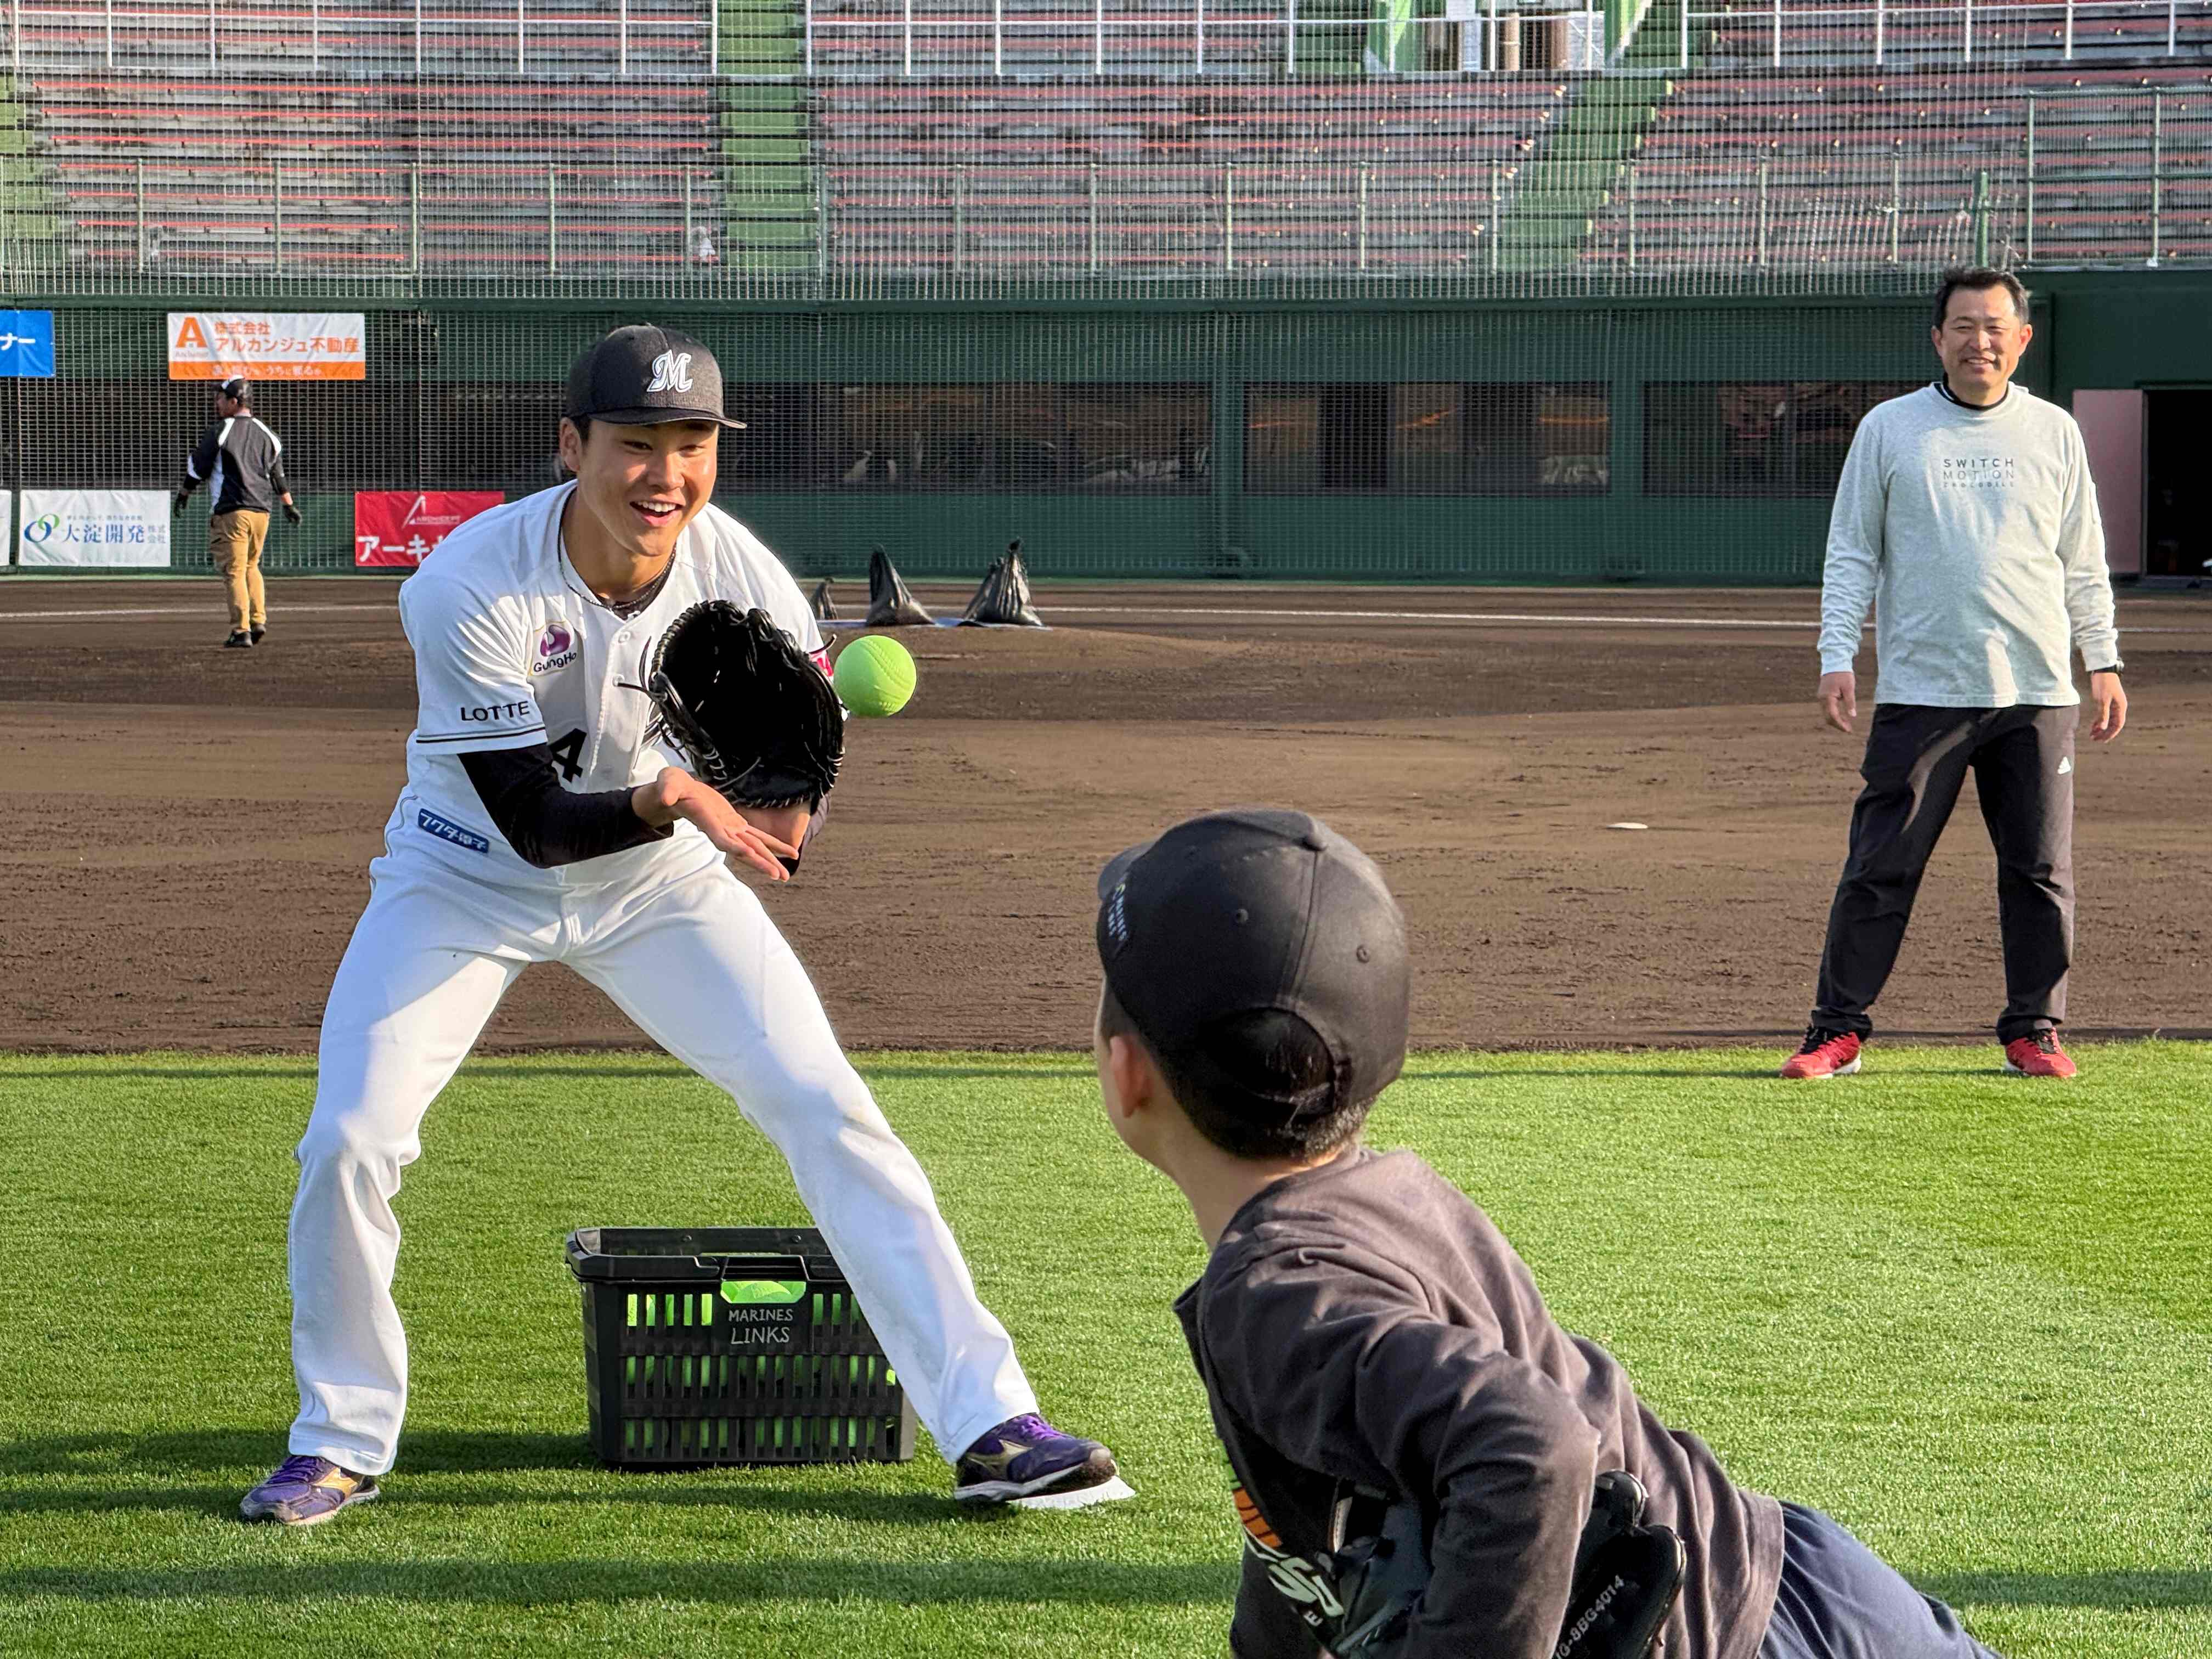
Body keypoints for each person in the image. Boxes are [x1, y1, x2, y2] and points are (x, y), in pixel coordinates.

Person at [239, 324, 1122, 1526]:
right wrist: (676, 797)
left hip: (662, 891)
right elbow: (539, 826)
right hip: (464, 882)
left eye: (693, 444)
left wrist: (792, 808)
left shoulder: (739, 570)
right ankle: (338, 1440)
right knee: (350, 1138)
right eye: (638, 443)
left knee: (828, 1106)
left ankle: (992, 1424)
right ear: (573, 445)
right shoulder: (466, 583)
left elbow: (803, 736)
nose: (668, 474)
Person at [1092, 806, 2005, 1659]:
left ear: (1127, 1071)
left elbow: (1532, 1443)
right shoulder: (1383, 1194)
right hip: (1791, 1576)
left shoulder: (1271, 1292)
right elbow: (1301, 1530)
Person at [1785, 267, 2125, 1083]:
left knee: (2041, 872)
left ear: (2022, 340)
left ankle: (2033, 1031)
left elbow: (2084, 561)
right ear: (1938, 338)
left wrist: (2103, 659)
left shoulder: (2053, 434)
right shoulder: (1890, 429)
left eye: (1995, 325)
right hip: (1920, 692)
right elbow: (1852, 549)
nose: (1981, 340)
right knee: (1880, 868)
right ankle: (1836, 1032)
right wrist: (1838, 653)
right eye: (1964, 325)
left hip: (2037, 694)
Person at [174, 376, 301, 649]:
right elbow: (277, 476)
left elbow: (198, 468)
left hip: (232, 511)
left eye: (221, 398)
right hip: (262, 513)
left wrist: (184, 494)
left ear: (235, 401)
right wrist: (289, 505)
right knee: (252, 567)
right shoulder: (267, 434)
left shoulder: (222, 430)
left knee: (234, 570)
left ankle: (240, 629)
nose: (217, 403)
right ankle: (258, 620)